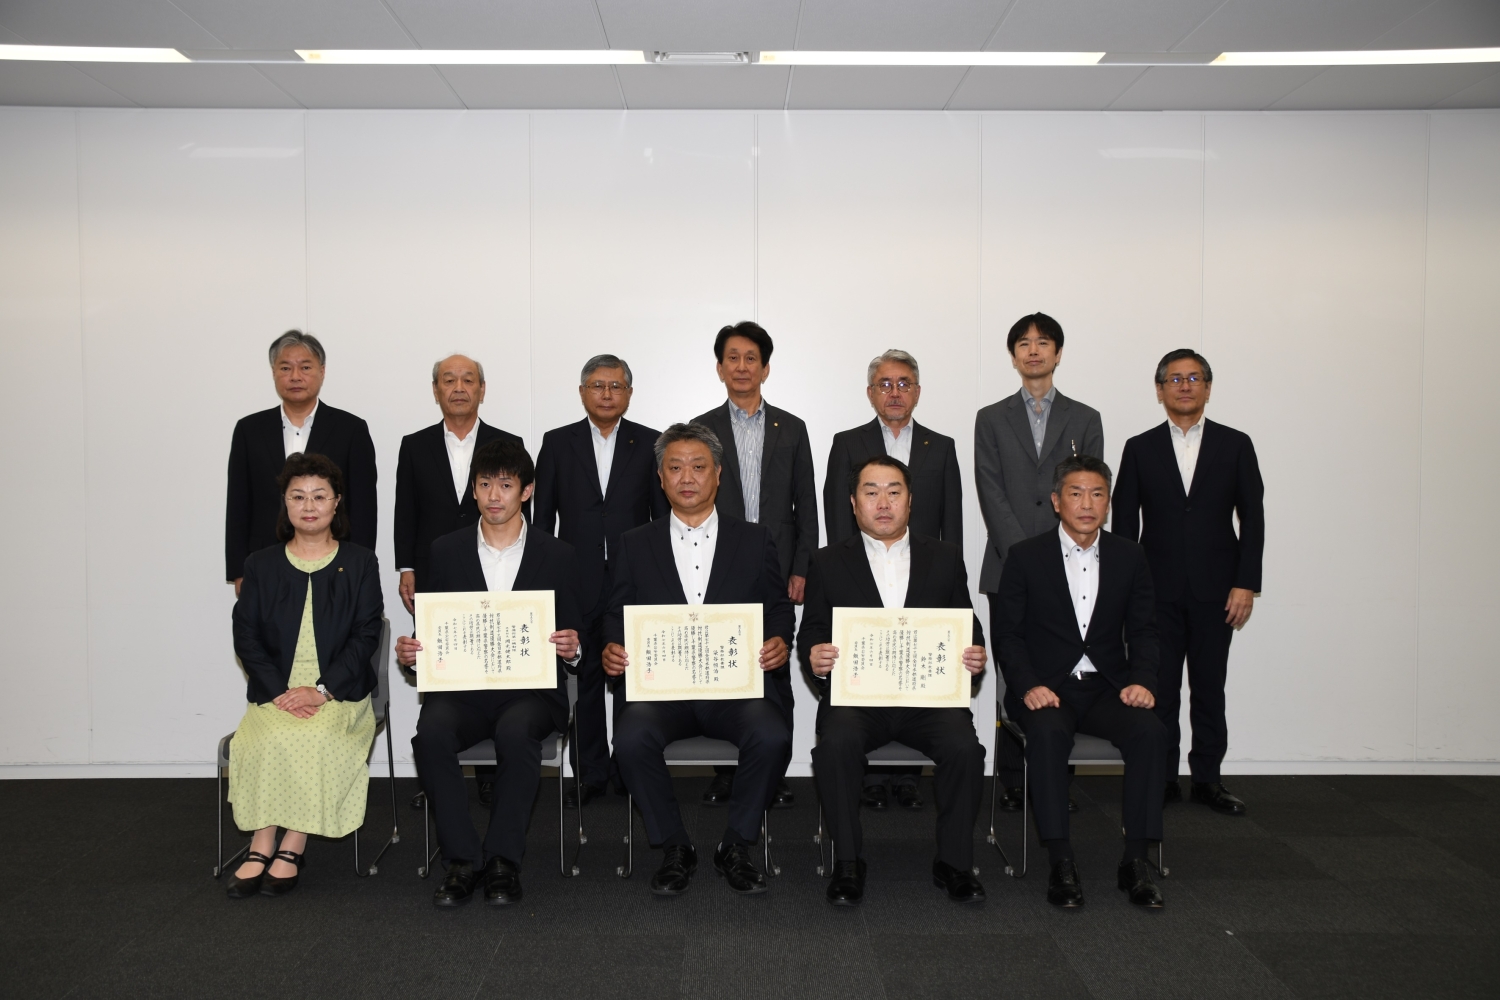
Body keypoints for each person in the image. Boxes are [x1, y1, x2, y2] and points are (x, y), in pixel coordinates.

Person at [602, 423, 796, 896]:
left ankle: (736, 844)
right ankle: (674, 844)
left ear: (718, 474)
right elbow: (615, 613)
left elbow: (777, 608)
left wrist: (779, 640)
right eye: (675, 467)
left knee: (771, 734)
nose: (686, 477)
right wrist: (611, 647)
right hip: (661, 693)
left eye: (698, 466)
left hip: (734, 692)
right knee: (630, 738)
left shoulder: (754, 539)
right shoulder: (634, 542)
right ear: (661, 477)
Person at [396, 439, 584, 907]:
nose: (493, 495)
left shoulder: (558, 554)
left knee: (516, 732)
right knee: (431, 733)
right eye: (484, 485)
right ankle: (461, 860)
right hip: (462, 690)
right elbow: (433, 629)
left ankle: (502, 860)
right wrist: (412, 651)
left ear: (527, 490)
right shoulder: (445, 550)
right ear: (473, 490)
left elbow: (576, 632)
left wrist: (573, 648)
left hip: (529, 693)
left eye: (505, 485)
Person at [800, 456, 988, 906]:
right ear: (853, 503)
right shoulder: (827, 561)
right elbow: (812, 630)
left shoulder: (944, 557)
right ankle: (848, 862)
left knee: (965, 749)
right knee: (836, 745)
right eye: (871, 492)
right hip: (857, 702)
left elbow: (967, 623)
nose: (882, 502)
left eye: (893, 491)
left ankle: (955, 863)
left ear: (910, 500)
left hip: (928, 701)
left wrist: (975, 652)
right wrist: (815, 656)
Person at [993, 455, 1168, 909]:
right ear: (1056, 501)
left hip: (1108, 687)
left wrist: (1143, 680)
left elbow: (1145, 630)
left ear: (1108, 503)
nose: (1086, 504)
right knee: (1048, 735)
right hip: (1047, 687)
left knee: (1151, 732)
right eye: (1075, 493)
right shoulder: (1025, 556)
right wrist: (1028, 685)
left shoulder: (1129, 555)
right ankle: (1062, 860)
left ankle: (1136, 860)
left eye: (1097, 494)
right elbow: (1008, 635)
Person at [225, 452, 385, 899]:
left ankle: (292, 844)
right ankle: (261, 843)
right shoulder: (260, 564)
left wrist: (321, 691)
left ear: (337, 502)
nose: (309, 505)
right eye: (298, 496)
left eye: (319, 495)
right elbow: (246, 636)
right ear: (285, 503)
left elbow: (366, 635)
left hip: (338, 693)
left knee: (314, 737)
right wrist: (280, 692)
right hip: (275, 691)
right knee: (263, 739)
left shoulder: (360, 562)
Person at [1112, 349, 1264, 816]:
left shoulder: (1235, 444)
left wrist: (1246, 583)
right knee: (1158, 689)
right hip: (1155, 591)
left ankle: (1208, 780)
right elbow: (1124, 526)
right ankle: (1160, 777)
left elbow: (1253, 518)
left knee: (1209, 688)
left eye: (1194, 378)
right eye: (1174, 379)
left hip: (1218, 592)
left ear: (1208, 388)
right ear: (1160, 390)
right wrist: (1125, 591)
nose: (1184, 386)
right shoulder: (1139, 447)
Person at [823, 349, 963, 812]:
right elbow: (838, 516)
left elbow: (951, 520)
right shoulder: (847, 442)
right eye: (885, 384)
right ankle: (869, 778)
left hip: (922, 583)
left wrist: (948, 571)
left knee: (913, 674)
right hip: (862, 579)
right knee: (869, 679)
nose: (895, 392)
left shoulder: (941, 446)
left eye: (904, 383)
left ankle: (905, 779)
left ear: (917, 392)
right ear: (870, 393)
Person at [974, 313, 1103, 811]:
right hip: (1007, 564)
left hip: (1072, 565)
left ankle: (1055, 778)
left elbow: (1088, 489)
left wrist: (1055, 555)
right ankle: (1012, 779)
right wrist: (1028, 557)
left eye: (1043, 342)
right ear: (1013, 356)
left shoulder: (1085, 417)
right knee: (1014, 670)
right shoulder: (991, 417)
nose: (1033, 351)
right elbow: (990, 489)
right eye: (1024, 344)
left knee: (1065, 665)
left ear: (1058, 353)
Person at [534, 354, 668, 809]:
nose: (606, 394)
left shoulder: (651, 443)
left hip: (635, 579)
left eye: (615, 386)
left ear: (629, 393)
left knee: (632, 674)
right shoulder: (557, 442)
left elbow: (661, 518)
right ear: (582, 392)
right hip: (576, 578)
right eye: (597, 385)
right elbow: (542, 519)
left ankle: (630, 768)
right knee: (584, 678)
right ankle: (590, 773)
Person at [693, 321, 816, 809]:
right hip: (716, 565)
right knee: (721, 667)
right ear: (719, 367)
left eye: (751, 358)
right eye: (733, 358)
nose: (741, 367)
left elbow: (806, 506)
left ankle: (773, 772)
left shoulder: (792, 428)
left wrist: (802, 567)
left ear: (765, 368)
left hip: (776, 566)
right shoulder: (700, 429)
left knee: (775, 668)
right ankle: (728, 773)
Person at [394, 354, 522, 809]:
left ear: (482, 389)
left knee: (497, 661)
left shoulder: (507, 443)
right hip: (439, 570)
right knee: (442, 660)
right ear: (436, 390)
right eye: (449, 380)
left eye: (469, 380)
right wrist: (406, 567)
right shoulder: (415, 445)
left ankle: (491, 775)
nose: (459, 387)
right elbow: (406, 508)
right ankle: (439, 771)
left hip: (499, 564)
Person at [226, 330, 377, 594]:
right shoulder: (249, 430)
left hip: (334, 564)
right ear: (274, 372)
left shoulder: (351, 429)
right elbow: (238, 504)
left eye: (305, 367)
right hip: (264, 562)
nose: (295, 376)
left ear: (322, 371)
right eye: (286, 368)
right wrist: (239, 570)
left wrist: (359, 568)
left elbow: (364, 508)